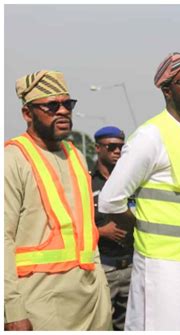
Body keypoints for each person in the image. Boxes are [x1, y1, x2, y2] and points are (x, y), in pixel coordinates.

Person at [98, 52, 180, 331]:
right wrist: (140, 225)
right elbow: (110, 201)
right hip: (166, 267)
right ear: (167, 90)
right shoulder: (150, 137)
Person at [4, 70, 112, 330]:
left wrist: (102, 292)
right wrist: (11, 308)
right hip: (43, 302)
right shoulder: (12, 159)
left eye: (67, 104)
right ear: (28, 114)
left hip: (91, 298)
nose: (63, 111)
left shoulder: (75, 154)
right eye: (52, 106)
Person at [90, 126, 134, 330]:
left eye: (121, 147)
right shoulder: (86, 182)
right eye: (111, 147)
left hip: (132, 264)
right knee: (102, 324)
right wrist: (100, 231)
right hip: (104, 267)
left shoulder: (131, 180)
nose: (117, 151)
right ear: (97, 148)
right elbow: (73, 223)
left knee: (131, 324)